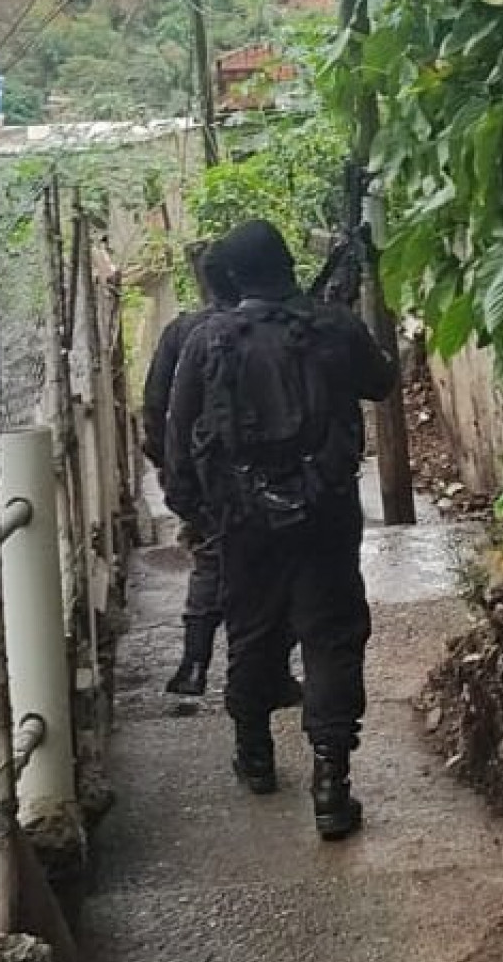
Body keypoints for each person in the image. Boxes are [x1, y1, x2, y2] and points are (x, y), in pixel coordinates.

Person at [163, 217, 396, 839]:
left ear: (234, 277)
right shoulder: (331, 326)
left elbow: (179, 438)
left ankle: (255, 753)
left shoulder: (208, 339)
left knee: (252, 631)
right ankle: (331, 782)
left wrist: (196, 514)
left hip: (240, 519)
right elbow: (383, 382)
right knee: (331, 635)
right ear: (289, 264)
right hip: (327, 512)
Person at [140, 242, 237, 696]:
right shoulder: (256, 327)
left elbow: (156, 404)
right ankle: (252, 666)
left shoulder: (182, 331)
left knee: (208, 561)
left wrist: (166, 466)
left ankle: (194, 663)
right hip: (251, 470)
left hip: (197, 472)